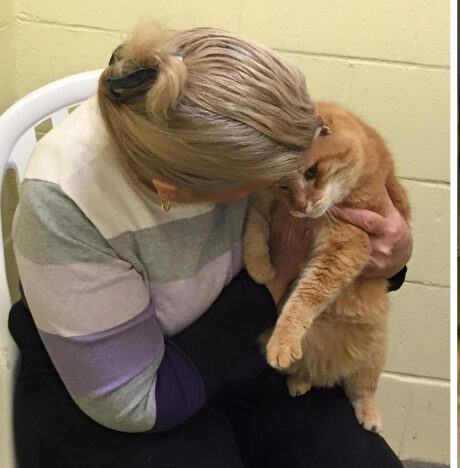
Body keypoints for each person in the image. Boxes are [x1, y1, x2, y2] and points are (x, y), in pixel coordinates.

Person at [9, 23, 411, 468]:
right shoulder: (63, 204)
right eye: (274, 184)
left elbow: (355, 220)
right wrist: (278, 277)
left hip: (249, 351)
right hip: (127, 392)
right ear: (174, 193)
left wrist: (392, 258)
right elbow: (136, 402)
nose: (296, 200)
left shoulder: (232, 105)